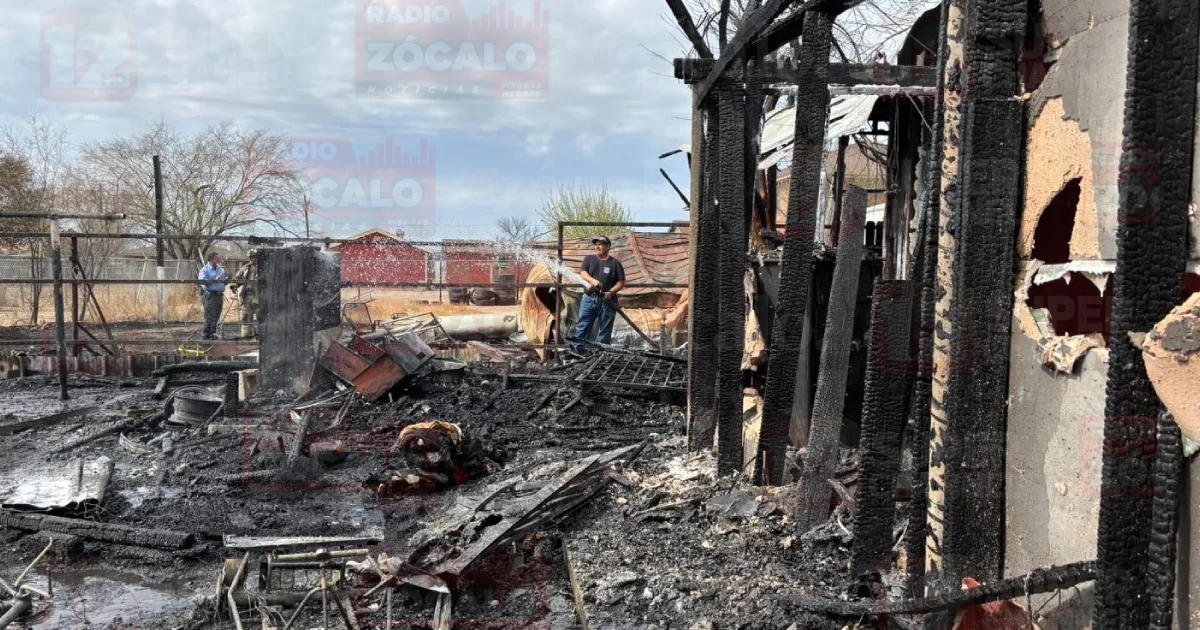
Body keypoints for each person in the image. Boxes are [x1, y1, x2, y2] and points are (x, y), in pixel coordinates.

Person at [572, 236, 625, 352]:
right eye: (596, 244)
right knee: (583, 325)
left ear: (608, 247)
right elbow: (583, 273)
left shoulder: (615, 263)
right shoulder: (589, 259)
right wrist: (594, 281)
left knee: (605, 328)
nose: (597, 246)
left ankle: (600, 353)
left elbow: (621, 282)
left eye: (600, 244)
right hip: (589, 298)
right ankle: (577, 351)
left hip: (607, 300)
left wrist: (611, 292)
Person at [198, 252, 229, 340]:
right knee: (209, 316)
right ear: (211, 259)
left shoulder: (220, 269)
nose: (218, 260)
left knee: (216, 316)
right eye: (217, 259)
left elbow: (224, 282)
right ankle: (206, 336)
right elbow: (203, 282)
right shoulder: (205, 270)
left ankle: (213, 334)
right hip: (210, 296)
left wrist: (227, 279)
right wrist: (214, 280)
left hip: (219, 295)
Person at [229, 252, 258, 338]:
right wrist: (234, 286)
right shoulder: (246, 268)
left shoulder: (265, 267)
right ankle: (247, 337)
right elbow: (238, 278)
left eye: (255, 257)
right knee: (246, 317)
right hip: (247, 296)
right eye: (251, 257)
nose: (253, 259)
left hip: (259, 297)